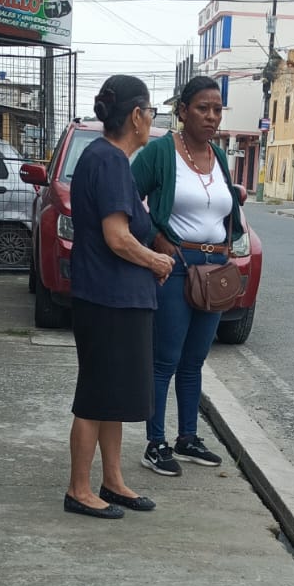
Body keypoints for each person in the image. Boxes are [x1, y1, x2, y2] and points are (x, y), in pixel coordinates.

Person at [64, 74, 174, 519]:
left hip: (117, 299)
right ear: (136, 116)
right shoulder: (107, 161)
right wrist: (156, 262)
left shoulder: (108, 159)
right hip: (107, 300)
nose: (151, 120)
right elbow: (117, 237)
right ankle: (78, 489)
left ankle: (112, 480)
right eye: (151, 113)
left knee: (112, 396)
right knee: (95, 395)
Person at [131, 75, 244, 478]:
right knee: (165, 359)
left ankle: (188, 437)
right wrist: (155, 237)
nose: (211, 116)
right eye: (203, 108)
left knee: (195, 360)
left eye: (217, 109)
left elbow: (226, 207)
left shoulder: (219, 157)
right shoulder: (161, 152)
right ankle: (155, 443)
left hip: (215, 270)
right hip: (177, 266)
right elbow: (127, 197)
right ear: (182, 111)